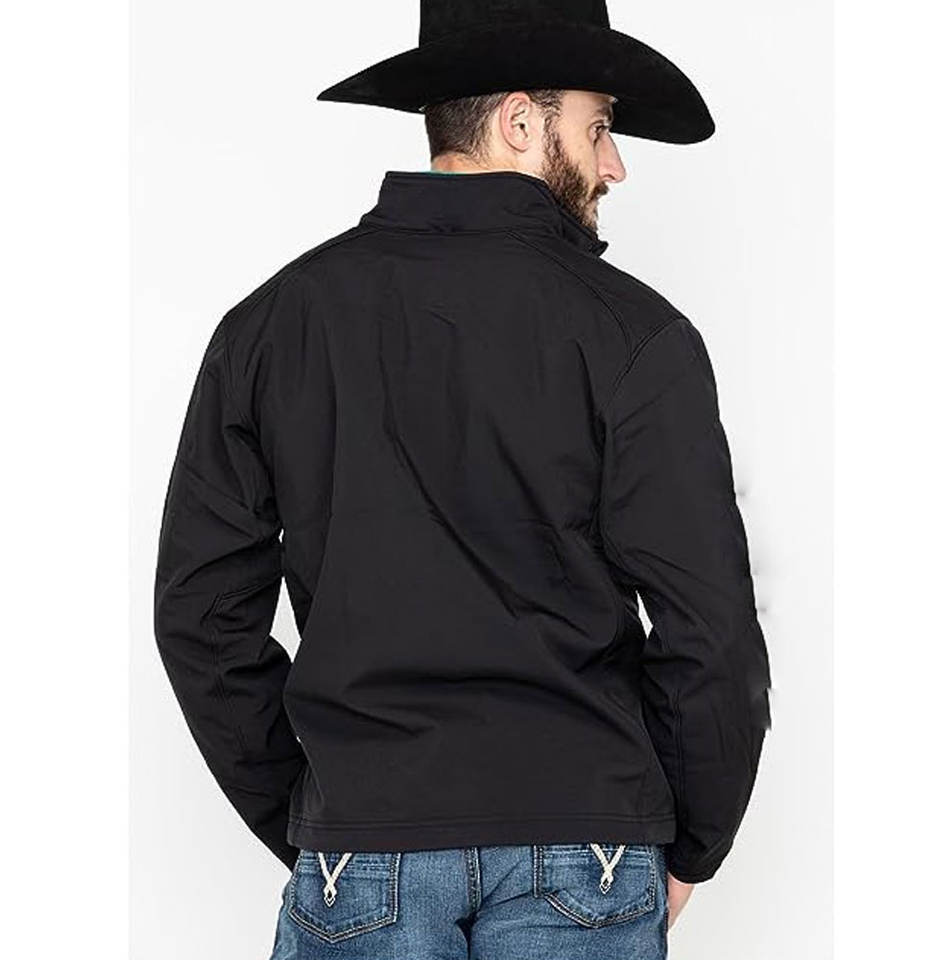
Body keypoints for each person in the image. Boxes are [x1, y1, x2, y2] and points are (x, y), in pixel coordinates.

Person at [153, 2, 772, 957]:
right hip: (587, 840)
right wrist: (694, 841)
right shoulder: (638, 336)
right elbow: (711, 627)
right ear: (521, 122)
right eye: (599, 128)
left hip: (363, 836)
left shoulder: (271, 328)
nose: (615, 165)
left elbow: (200, 617)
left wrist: (329, 814)